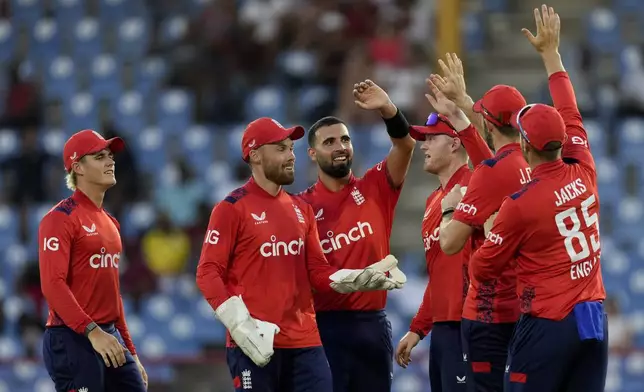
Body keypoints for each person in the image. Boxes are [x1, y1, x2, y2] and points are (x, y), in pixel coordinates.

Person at [196, 117, 406, 392]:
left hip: (306, 343)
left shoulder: (301, 209)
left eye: (291, 149)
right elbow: (207, 272)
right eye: (281, 149)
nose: (291, 156)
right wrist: (238, 324)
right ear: (255, 155)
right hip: (255, 342)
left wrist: (357, 278)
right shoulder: (231, 208)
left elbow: (318, 272)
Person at [468, 6, 606, 391]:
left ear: (525, 145)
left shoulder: (520, 203)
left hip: (547, 322)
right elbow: (571, 110)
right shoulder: (585, 169)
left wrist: (493, 228)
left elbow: (481, 270)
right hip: (593, 318)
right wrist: (552, 56)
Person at [296, 79, 415, 392]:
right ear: (312, 153)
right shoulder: (300, 208)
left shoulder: (375, 187)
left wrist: (388, 109)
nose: (340, 147)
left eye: (345, 139)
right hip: (324, 327)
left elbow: (405, 145)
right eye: (329, 142)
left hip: (371, 324)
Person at [427, 53, 531, 391]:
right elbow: (494, 168)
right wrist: (460, 115)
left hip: (489, 312)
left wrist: (449, 208)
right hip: (526, 307)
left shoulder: (491, 174)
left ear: (488, 123)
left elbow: (449, 242)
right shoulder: (529, 162)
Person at [38, 129, 147, 392]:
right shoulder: (59, 219)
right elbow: (53, 285)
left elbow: (112, 294)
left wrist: (131, 351)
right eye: (99, 157)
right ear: (78, 167)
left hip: (108, 335)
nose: (110, 161)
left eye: (110, 156)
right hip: (71, 337)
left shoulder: (111, 222)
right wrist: (92, 332)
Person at [396, 110, 487, 392]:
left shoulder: (478, 186)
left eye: (431, 138)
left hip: (473, 325)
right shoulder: (433, 200)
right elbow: (438, 273)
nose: (423, 146)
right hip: (443, 330)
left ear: (455, 143)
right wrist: (418, 328)